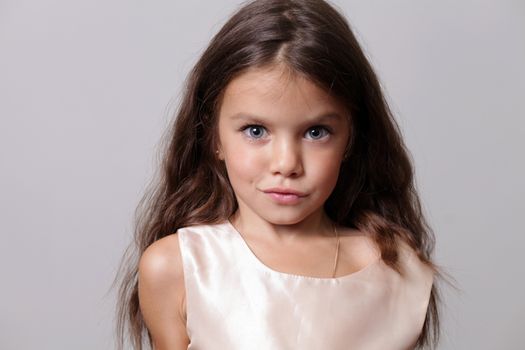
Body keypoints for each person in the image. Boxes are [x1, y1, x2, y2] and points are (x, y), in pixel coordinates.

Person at [114, 0, 445, 349]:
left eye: (316, 132)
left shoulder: (396, 270)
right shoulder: (178, 268)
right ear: (213, 137)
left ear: (351, 138)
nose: (287, 163)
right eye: (255, 131)